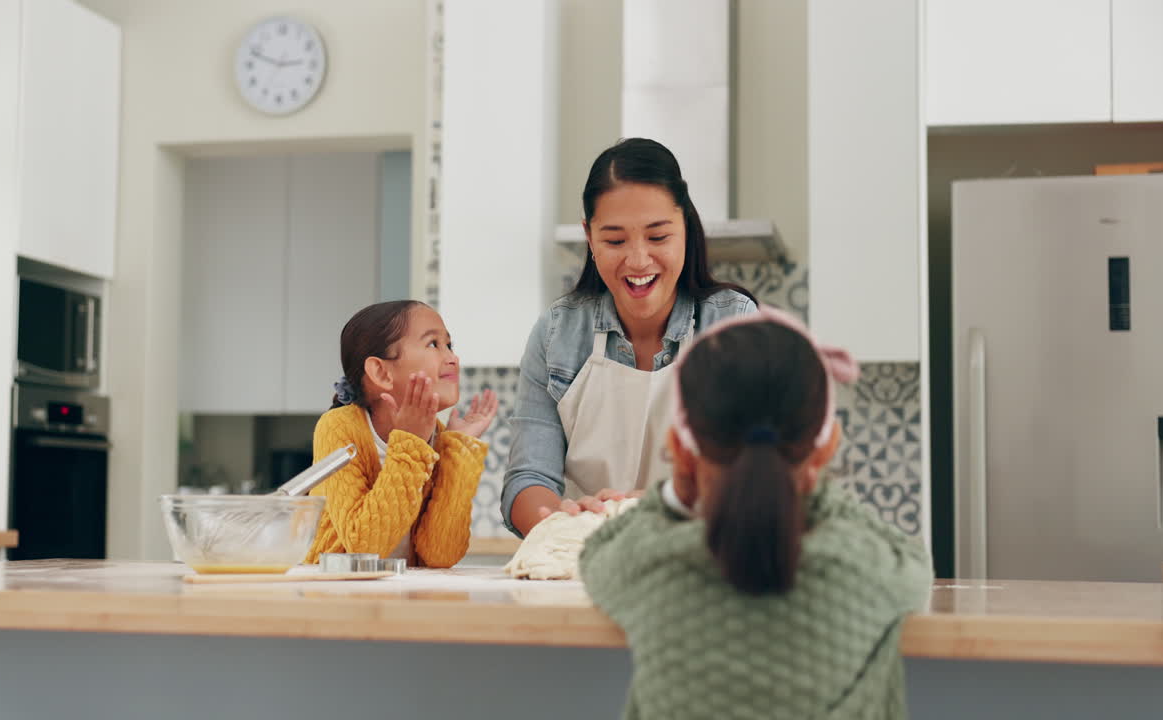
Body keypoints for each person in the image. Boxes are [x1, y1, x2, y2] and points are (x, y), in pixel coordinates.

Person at [579, 308, 933, 719]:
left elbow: (597, 553)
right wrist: (816, 483)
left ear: (679, 448)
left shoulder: (651, 564)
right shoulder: (866, 569)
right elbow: (912, 558)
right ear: (827, 444)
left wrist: (676, 492)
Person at [502, 137, 757, 536]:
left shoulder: (733, 326)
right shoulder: (556, 333)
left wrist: (657, 509)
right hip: (586, 562)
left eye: (658, 237)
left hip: (702, 566)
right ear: (589, 236)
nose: (638, 260)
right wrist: (563, 521)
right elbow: (527, 480)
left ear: (686, 228)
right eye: (615, 240)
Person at [302, 300, 497, 568]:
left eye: (449, 345)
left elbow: (441, 555)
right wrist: (411, 445)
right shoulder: (339, 427)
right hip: (337, 596)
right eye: (433, 344)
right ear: (381, 372)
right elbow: (366, 547)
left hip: (402, 597)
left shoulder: (438, 437)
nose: (452, 357)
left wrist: (458, 451)